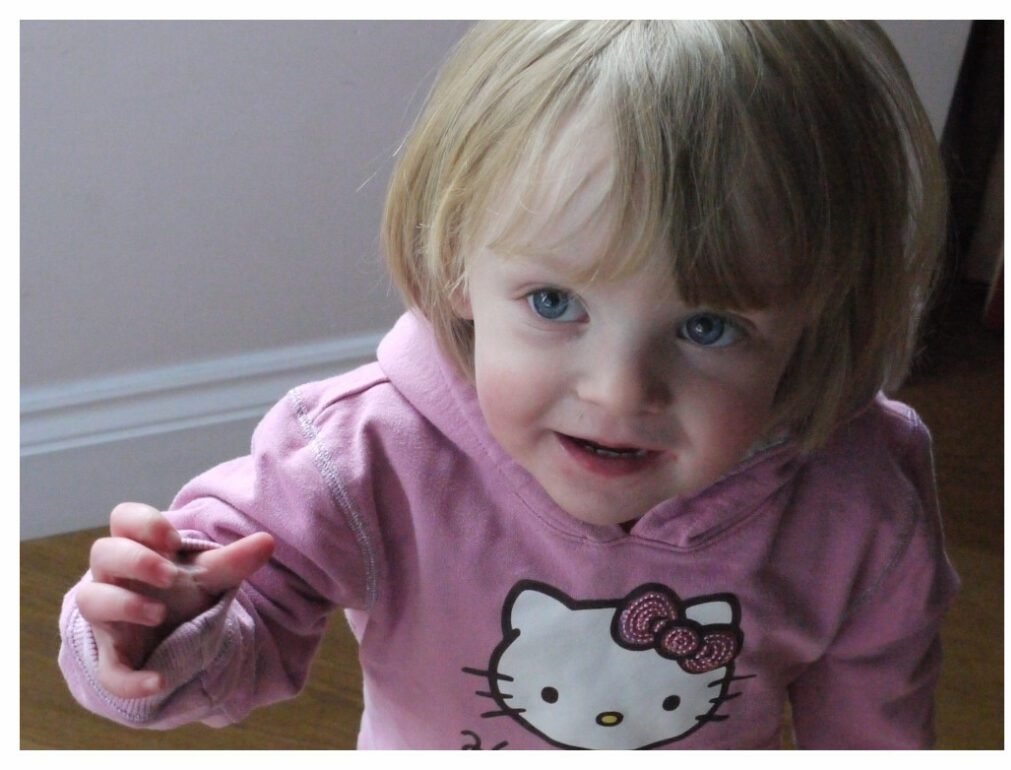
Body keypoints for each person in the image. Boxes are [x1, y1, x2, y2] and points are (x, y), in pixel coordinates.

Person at [58, 21, 959, 749]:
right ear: (455, 266)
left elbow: (874, 732)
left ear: (819, 309)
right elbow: (231, 640)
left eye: (707, 325)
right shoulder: (355, 454)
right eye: (554, 300)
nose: (617, 391)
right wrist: (161, 631)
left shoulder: (859, 499)